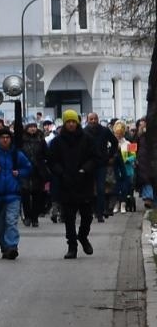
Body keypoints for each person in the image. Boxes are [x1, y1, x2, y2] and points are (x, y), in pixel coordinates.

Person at [47, 110, 99, 258]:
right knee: (69, 218)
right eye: (68, 122)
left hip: (84, 182)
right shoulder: (57, 141)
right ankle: (72, 246)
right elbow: (52, 161)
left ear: (77, 122)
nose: (71, 124)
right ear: (64, 123)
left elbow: (95, 158)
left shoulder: (87, 139)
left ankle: (83, 236)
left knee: (87, 216)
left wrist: (85, 169)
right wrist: (61, 173)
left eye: (73, 121)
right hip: (66, 183)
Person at [0, 125, 32, 261]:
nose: (5, 140)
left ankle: (12, 246)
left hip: (13, 194)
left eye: (7, 137)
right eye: (2, 138)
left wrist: (19, 173)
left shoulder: (17, 155)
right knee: (0, 225)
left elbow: (28, 168)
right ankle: (5, 247)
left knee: (11, 221)